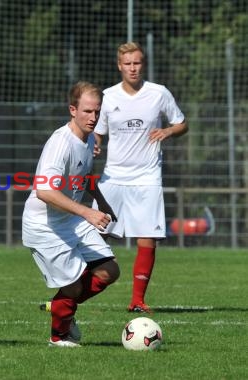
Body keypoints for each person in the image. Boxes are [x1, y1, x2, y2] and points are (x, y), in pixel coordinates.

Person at [22, 81, 120, 348]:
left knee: (108, 271)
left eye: (97, 112)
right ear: (72, 110)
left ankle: (61, 307)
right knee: (75, 287)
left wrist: (102, 202)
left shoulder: (88, 139)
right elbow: (44, 191)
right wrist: (87, 212)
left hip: (70, 219)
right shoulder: (59, 143)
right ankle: (59, 334)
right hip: (44, 225)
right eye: (88, 111)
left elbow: (84, 176)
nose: (94, 117)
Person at [92, 42, 188, 313]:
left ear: (142, 64)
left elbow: (182, 123)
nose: (133, 68)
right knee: (95, 234)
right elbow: (98, 131)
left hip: (147, 176)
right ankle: (79, 288)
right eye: (128, 63)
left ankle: (137, 299)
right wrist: (95, 143)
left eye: (137, 63)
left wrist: (168, 132)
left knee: (147, 237)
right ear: (119, 65)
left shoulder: (159, 93)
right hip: (113, 177)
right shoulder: (108, 97)